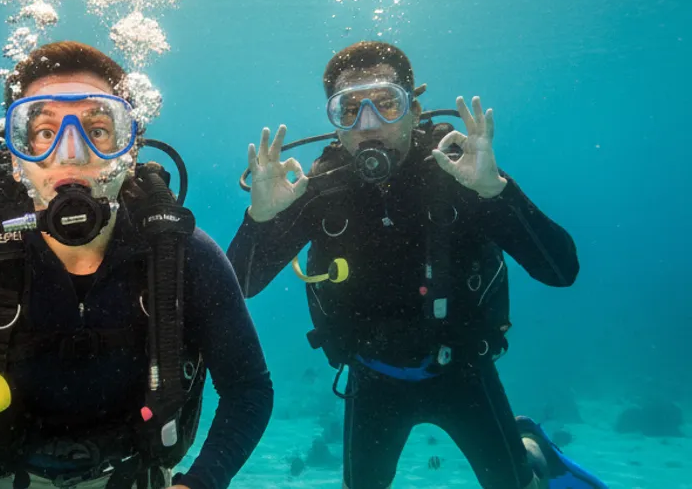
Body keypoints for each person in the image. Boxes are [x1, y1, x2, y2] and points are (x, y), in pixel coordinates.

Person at [0, 41, 273, 489]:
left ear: (131, 147)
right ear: (15, 154)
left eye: (98, 130)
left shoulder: (184, 255)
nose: (71, 154)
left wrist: (198, 483)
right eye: (43, 132)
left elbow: (249, 391)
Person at [227, 41, 607, 489]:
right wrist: (259, 221)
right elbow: (238, 288)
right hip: (371, 378)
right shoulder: (319, 189)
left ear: (414, 109)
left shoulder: (461, 172)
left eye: (387, 104)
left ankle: (532, 449)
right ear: (335, 123)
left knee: (516, 483)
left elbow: (562, 272)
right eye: (348, 109)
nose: (368, 125)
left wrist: (497, 192)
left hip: (464, 371)